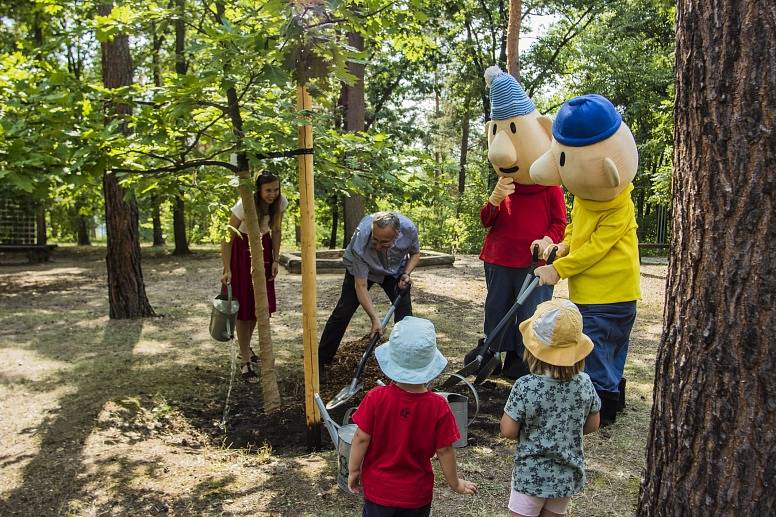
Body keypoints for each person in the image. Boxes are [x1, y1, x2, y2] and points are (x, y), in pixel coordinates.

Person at [473, 66, 567, 379]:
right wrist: (495, 199)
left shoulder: (550, 186)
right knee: (497, 311)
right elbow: (487, 220)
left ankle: (526, 362)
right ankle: (495, 356)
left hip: (532, 262)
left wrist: (546, 241)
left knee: (530, 314)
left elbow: (559, 223)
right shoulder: (505, 183)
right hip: (499, 259)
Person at [347, 316, 477, 516]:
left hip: (378, 492)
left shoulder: (375, 398)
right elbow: (444, 451)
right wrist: (455, 483)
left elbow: (361, 437)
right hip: (416, 495)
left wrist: (354, 470)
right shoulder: (438, 406)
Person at [500, 299, 601, 517]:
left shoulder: (526, 385)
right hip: (567, 475)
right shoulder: (584, 382)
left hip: (531, 476)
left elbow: (508, 430)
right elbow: (593, 424)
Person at [318, 211, 420, 374]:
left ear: (397, 235)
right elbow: (361, 285)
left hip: (393, 270)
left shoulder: (409, 229)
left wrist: (406, 273)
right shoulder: (360, 241)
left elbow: (415, 254)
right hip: (362, 268)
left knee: (405, 314)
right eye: (375, 240)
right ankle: (321, 362)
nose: (378, 246)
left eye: (384, 242)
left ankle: (405, 362)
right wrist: (374, 319)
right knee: (343, 312)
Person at [220, 172, 287, 383]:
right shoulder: (244, 204)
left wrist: (275, 259)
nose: (273, 194)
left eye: (276, 189)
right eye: (268, 190)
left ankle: (245, 349)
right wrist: (227, 268)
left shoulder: (280, 202)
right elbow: (227, 237)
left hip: (264, 249)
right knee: (244, 309)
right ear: (259, 190)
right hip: (242, 250)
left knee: (259, 306)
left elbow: (276, 230)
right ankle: (245, 360)